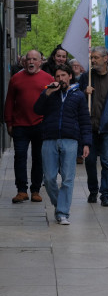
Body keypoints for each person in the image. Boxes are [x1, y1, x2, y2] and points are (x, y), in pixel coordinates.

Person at [34, 64, 92, 225]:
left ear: (70, 77)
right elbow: (37, 109)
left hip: (70, 139)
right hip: (49, 139)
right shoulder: (49, 93)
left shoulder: (78, 95)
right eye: (58, 76)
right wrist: (47, 93)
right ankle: (60, 204)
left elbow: (85, 121)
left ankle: (62, 212)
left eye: (64, 76)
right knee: (50, 178)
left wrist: (86, 143)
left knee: (68, 178)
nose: (61, 79)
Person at [4, 50, 53, 204]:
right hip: (20, 126)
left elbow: (53, 104)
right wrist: (9, 122)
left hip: (41, 125)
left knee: (38, 158)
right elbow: (9, 101)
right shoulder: (16, 79)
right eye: (28, 59)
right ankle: (21, 190)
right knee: (20, 157)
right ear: (24, 62)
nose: (31, 62)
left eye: (34, 59)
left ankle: (35, 190)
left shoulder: (48, 79)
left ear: (40, 61)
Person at [81, 46, 108, 207]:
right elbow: (77, 98)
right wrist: (84, 92)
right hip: (90, 127)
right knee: (90, 161)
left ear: (106, 58)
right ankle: (93, 190)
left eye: (96, 57)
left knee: (107, 162)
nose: (93, 60)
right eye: (92, 58)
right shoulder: (87, 77)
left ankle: (105, 194)